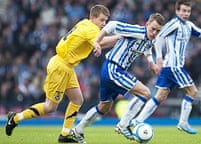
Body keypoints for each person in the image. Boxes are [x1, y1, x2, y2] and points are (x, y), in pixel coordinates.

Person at [5, 4, 120, 143]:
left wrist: (112, 42)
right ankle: (15, 118)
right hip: (60, 66)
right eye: (101, 20)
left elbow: (100, 43)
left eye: (106, 21)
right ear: (93, 17)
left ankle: (65, 134)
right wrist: (120, 37)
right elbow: (102, 42)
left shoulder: (85, 23)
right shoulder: (91, 28)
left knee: (77, 99)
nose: (104, 24)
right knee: (50, 107)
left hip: (67, 66)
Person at [131, 0, 201, 135]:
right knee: (192, 92)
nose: (186, 13)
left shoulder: (188, 25)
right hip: (173, 66)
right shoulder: (174, 24)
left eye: (188, 11)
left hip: (169, 67)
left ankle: (137, 121)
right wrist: (158, 57)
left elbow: (200, 32)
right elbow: (158, 38)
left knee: (159, 96)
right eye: (183, 10)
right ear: (177, 11)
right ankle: (183, 122)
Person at [69, 13, 165, 143]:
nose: (154, 33)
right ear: (147, 24)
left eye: (158, 31)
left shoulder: (151, 38)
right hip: (113, 68)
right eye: (152, 29)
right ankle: (123, 125)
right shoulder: (137, 30)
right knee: (145, 92)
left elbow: (147, 47)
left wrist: (151, 62)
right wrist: (96, 42)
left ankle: (77, 131)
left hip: (110, 69)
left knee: (104, 107)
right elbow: (112, 25)